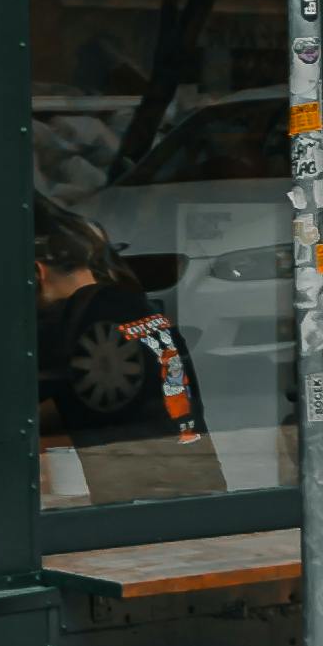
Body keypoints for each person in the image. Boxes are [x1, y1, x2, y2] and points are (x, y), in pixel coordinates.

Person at [35, 201, 212, 498]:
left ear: (38, 273)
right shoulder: (138, 307)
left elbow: (22, 414)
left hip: (136, 499)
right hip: (201, 481)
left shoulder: (66, 326)